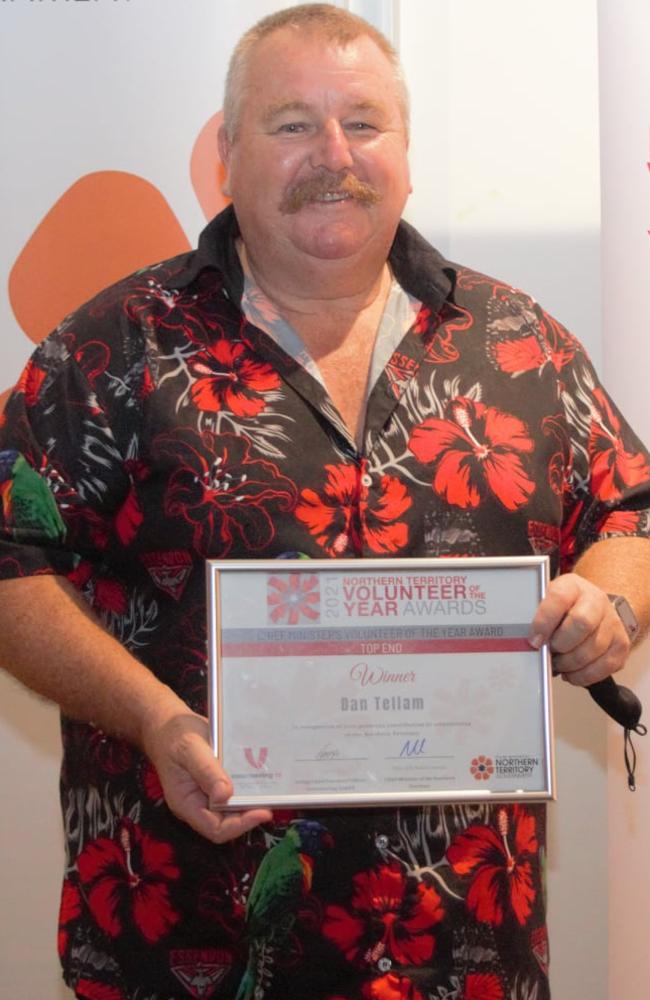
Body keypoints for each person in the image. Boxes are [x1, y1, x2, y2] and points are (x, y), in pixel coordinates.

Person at [1, 4, 649, 999]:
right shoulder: (112, 346)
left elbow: (627, 509)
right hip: (184, 947)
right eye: (291, 123)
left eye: (362, 122)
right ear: (227, 152)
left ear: (405, 151)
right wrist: (152, 720)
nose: (332, 154)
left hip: (462, 951)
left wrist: (608, 607)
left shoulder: (518, 343)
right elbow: (10, 560)